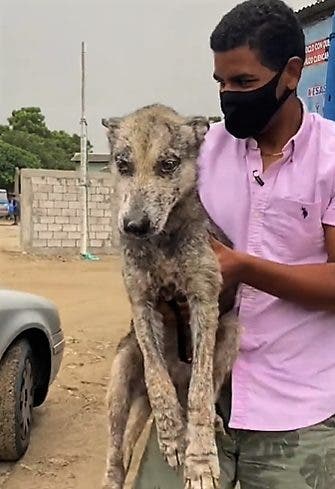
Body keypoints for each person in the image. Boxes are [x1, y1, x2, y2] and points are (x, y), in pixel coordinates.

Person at [134, 1, 335, 487]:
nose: (229, 96)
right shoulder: (199, 153)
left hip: (297, 408)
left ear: (291, 73)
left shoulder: (330, 157)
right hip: (197, 399)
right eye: (220, 83)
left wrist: (243, 268)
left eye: (243, 83)